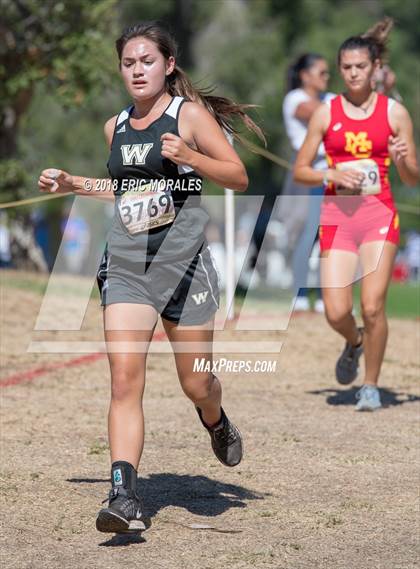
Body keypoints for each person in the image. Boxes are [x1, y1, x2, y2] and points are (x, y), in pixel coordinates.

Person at [38, 21, 263, 533]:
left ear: (168, 65)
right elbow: (122, 191)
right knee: (124, 380)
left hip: (185, 268)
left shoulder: (191, 117)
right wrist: (74, 183)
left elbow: (238, 176)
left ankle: (216, 419)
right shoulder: (114, 126)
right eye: (128, 63)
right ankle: (124, 496)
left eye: (146, 61)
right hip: (128, 267)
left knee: (197, 383)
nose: (137, 70)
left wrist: (191, 156)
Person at [294, 17, 419, 410]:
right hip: (338, 217)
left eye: (360, 67)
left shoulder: (395, 113)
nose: (352, 73)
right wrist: (328, 171)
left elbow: (413, 178)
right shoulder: (326, 113)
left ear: (374, 68)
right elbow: (300, 170)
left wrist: (402, 161)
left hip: (379, 216)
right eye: (345, 67)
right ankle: (355, 341)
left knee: (372, 305)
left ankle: (371, 385)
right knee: (335, 310)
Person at [279, 53, 334, 312]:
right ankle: (299, 294)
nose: (327, 77)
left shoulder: (329, 100)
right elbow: (320, 115)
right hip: (308, 177)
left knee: (331, 237)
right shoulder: (296, 99)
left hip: (333, 177)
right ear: (305, 76)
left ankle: (326, 296)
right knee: (308, 234)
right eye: (321, 72)